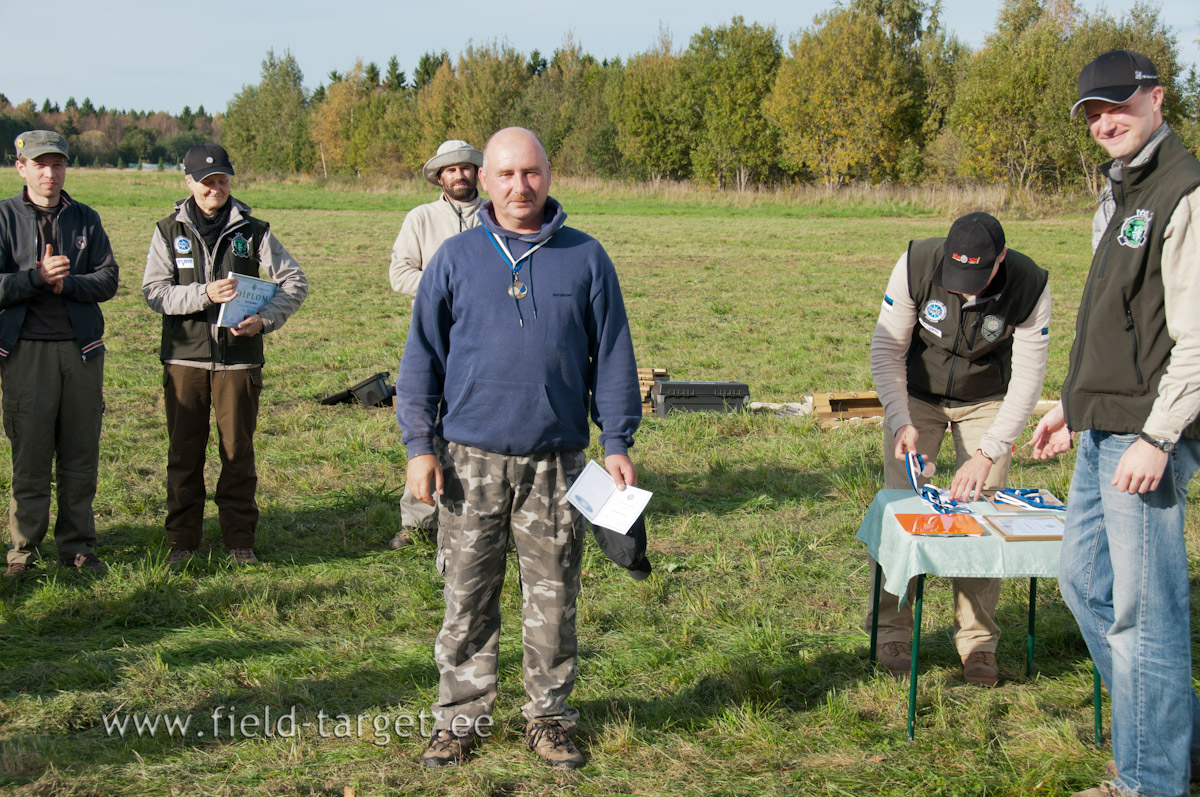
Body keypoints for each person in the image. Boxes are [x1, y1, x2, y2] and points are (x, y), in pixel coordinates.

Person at [395, 127, 641, 769]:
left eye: (530, 173)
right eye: (505, 174)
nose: (518, 186)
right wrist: (420, 445)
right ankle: (459, 717)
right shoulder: (455, 258)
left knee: (554, 596)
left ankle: (550, 716)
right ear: (484, 179)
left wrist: (615, 440)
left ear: (549, 174)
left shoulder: (586, 258)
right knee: (467, 593)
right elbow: (421, 357)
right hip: (468, 459)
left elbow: (613, 356)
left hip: (556, 462)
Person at [1032, 50, 1200, 797]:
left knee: (1145, 615)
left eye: (1118, 105)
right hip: (1103, 425)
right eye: (1093, 113)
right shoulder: (1121, 191)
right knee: (1082, 584)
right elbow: (1111, 322)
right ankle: (1177, 739)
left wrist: (1160, 436)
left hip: (1146, 435)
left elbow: (1196, 337)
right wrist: (1073, 403)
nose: (1105, 121)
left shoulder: (1183, 191)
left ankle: (1149, 779)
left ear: (1157, 99)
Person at [868, 211, 1051, 685]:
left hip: (987, 400)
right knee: (901, 510)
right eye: (957, 277)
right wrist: (900, 420)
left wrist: (987, 452)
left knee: (983, 515)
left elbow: (1029, 379)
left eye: (977, 278)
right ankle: (891, 628)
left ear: (1000, 260)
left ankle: (978, 643)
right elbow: (886, 351)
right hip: (916, 396)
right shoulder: (915, 264)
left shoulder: (1030, 285)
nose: (965, 290)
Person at [142, 143, 308, 567]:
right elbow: (154, 292)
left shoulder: (255, 231)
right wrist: (203, 294)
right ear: (189, 183)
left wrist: (264, 320)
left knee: (237, 453)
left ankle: (239, 542)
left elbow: (294, 283)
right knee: (184, 453)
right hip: (185, 360)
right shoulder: (167, 231)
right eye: (206, 181)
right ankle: (183, 541)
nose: (215, 188)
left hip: (239, 360)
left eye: (221, 180)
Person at [0, 131, 119, 579]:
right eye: (40, 164)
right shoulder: (3, 218)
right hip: (25, 351)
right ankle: (23, 551)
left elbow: (107, 279)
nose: (50, 173)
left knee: (80, 453)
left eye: (58, 164)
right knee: (29, 454)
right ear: (21, 167)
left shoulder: (86, 219)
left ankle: (77, 547)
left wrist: (66, 284)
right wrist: (35, 277)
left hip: (81, 352)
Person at [387, 139, 484, 549]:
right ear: (439, 177)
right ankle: (418, 519)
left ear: (477, 173)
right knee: (424, 422)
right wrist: (444, 289)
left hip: (484, 340)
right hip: (433, 337)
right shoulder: (420, 218)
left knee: (477, 423)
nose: (459, 175)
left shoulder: (497, 216)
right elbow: (399, 273)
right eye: (450, 170)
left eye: (465, 168)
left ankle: (482, 511)